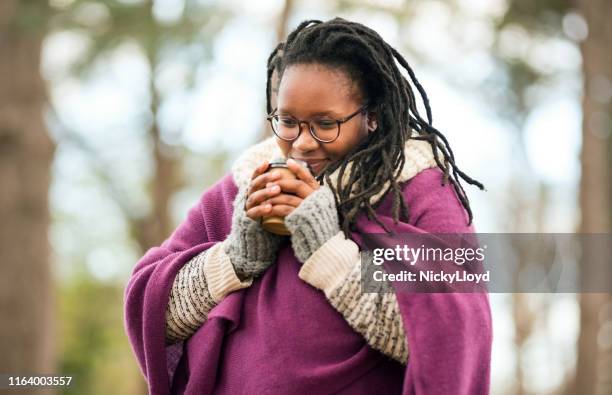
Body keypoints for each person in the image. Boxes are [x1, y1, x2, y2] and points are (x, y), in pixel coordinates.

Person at [124, 17, 492, 395]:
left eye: (325, 124)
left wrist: (328, 250)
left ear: (372, 117)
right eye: (287, 121)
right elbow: (154, 312)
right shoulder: (246, 184)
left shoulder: (419, 190)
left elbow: (449, 338)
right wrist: (236, 257)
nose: (301, 143)